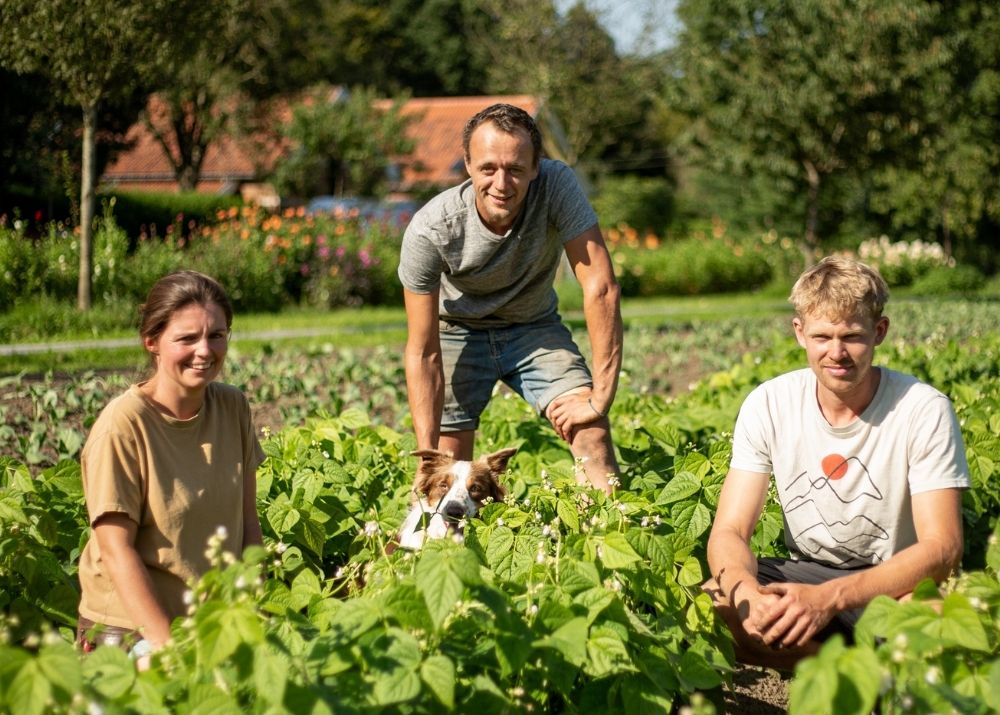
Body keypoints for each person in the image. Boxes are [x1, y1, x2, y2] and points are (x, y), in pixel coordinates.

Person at [705, 256, 969, 669]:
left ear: (879, 332)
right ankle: (844, 680)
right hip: (806, 572)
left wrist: (830, 599)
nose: (837, 352)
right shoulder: (770, 404)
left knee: (941, 631)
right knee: (717, 603)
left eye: (852, 336)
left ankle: (863, 675)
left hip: (895, 581)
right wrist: (746, 594)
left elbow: (944, 547)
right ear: (800, 333)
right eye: (822, 336)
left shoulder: (922, 409)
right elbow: (730, 530)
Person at [398, 103, 623, 492]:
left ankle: (605, 536)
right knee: (452, 467)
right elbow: (423, 351)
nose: (501, 183)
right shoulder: (430, 230)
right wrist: (428, 458)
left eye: (516, 169)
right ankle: (455, 545)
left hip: (533, 328)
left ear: (536, 167)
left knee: (592, 433)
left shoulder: (556, 185)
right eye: (488, 168)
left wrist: (600, 395)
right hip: (457, 332)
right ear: (466, 164)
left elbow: (600, 287)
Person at [76, 270, 264, 660]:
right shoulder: (123, 427)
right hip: (131, 631)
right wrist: (169, 647)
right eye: (187, 338)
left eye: (217, 335)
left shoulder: (232, 407)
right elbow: (116, 552)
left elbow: (248, 522)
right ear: (153, 342)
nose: (205, 351)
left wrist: (251, 608)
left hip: (210, 622)